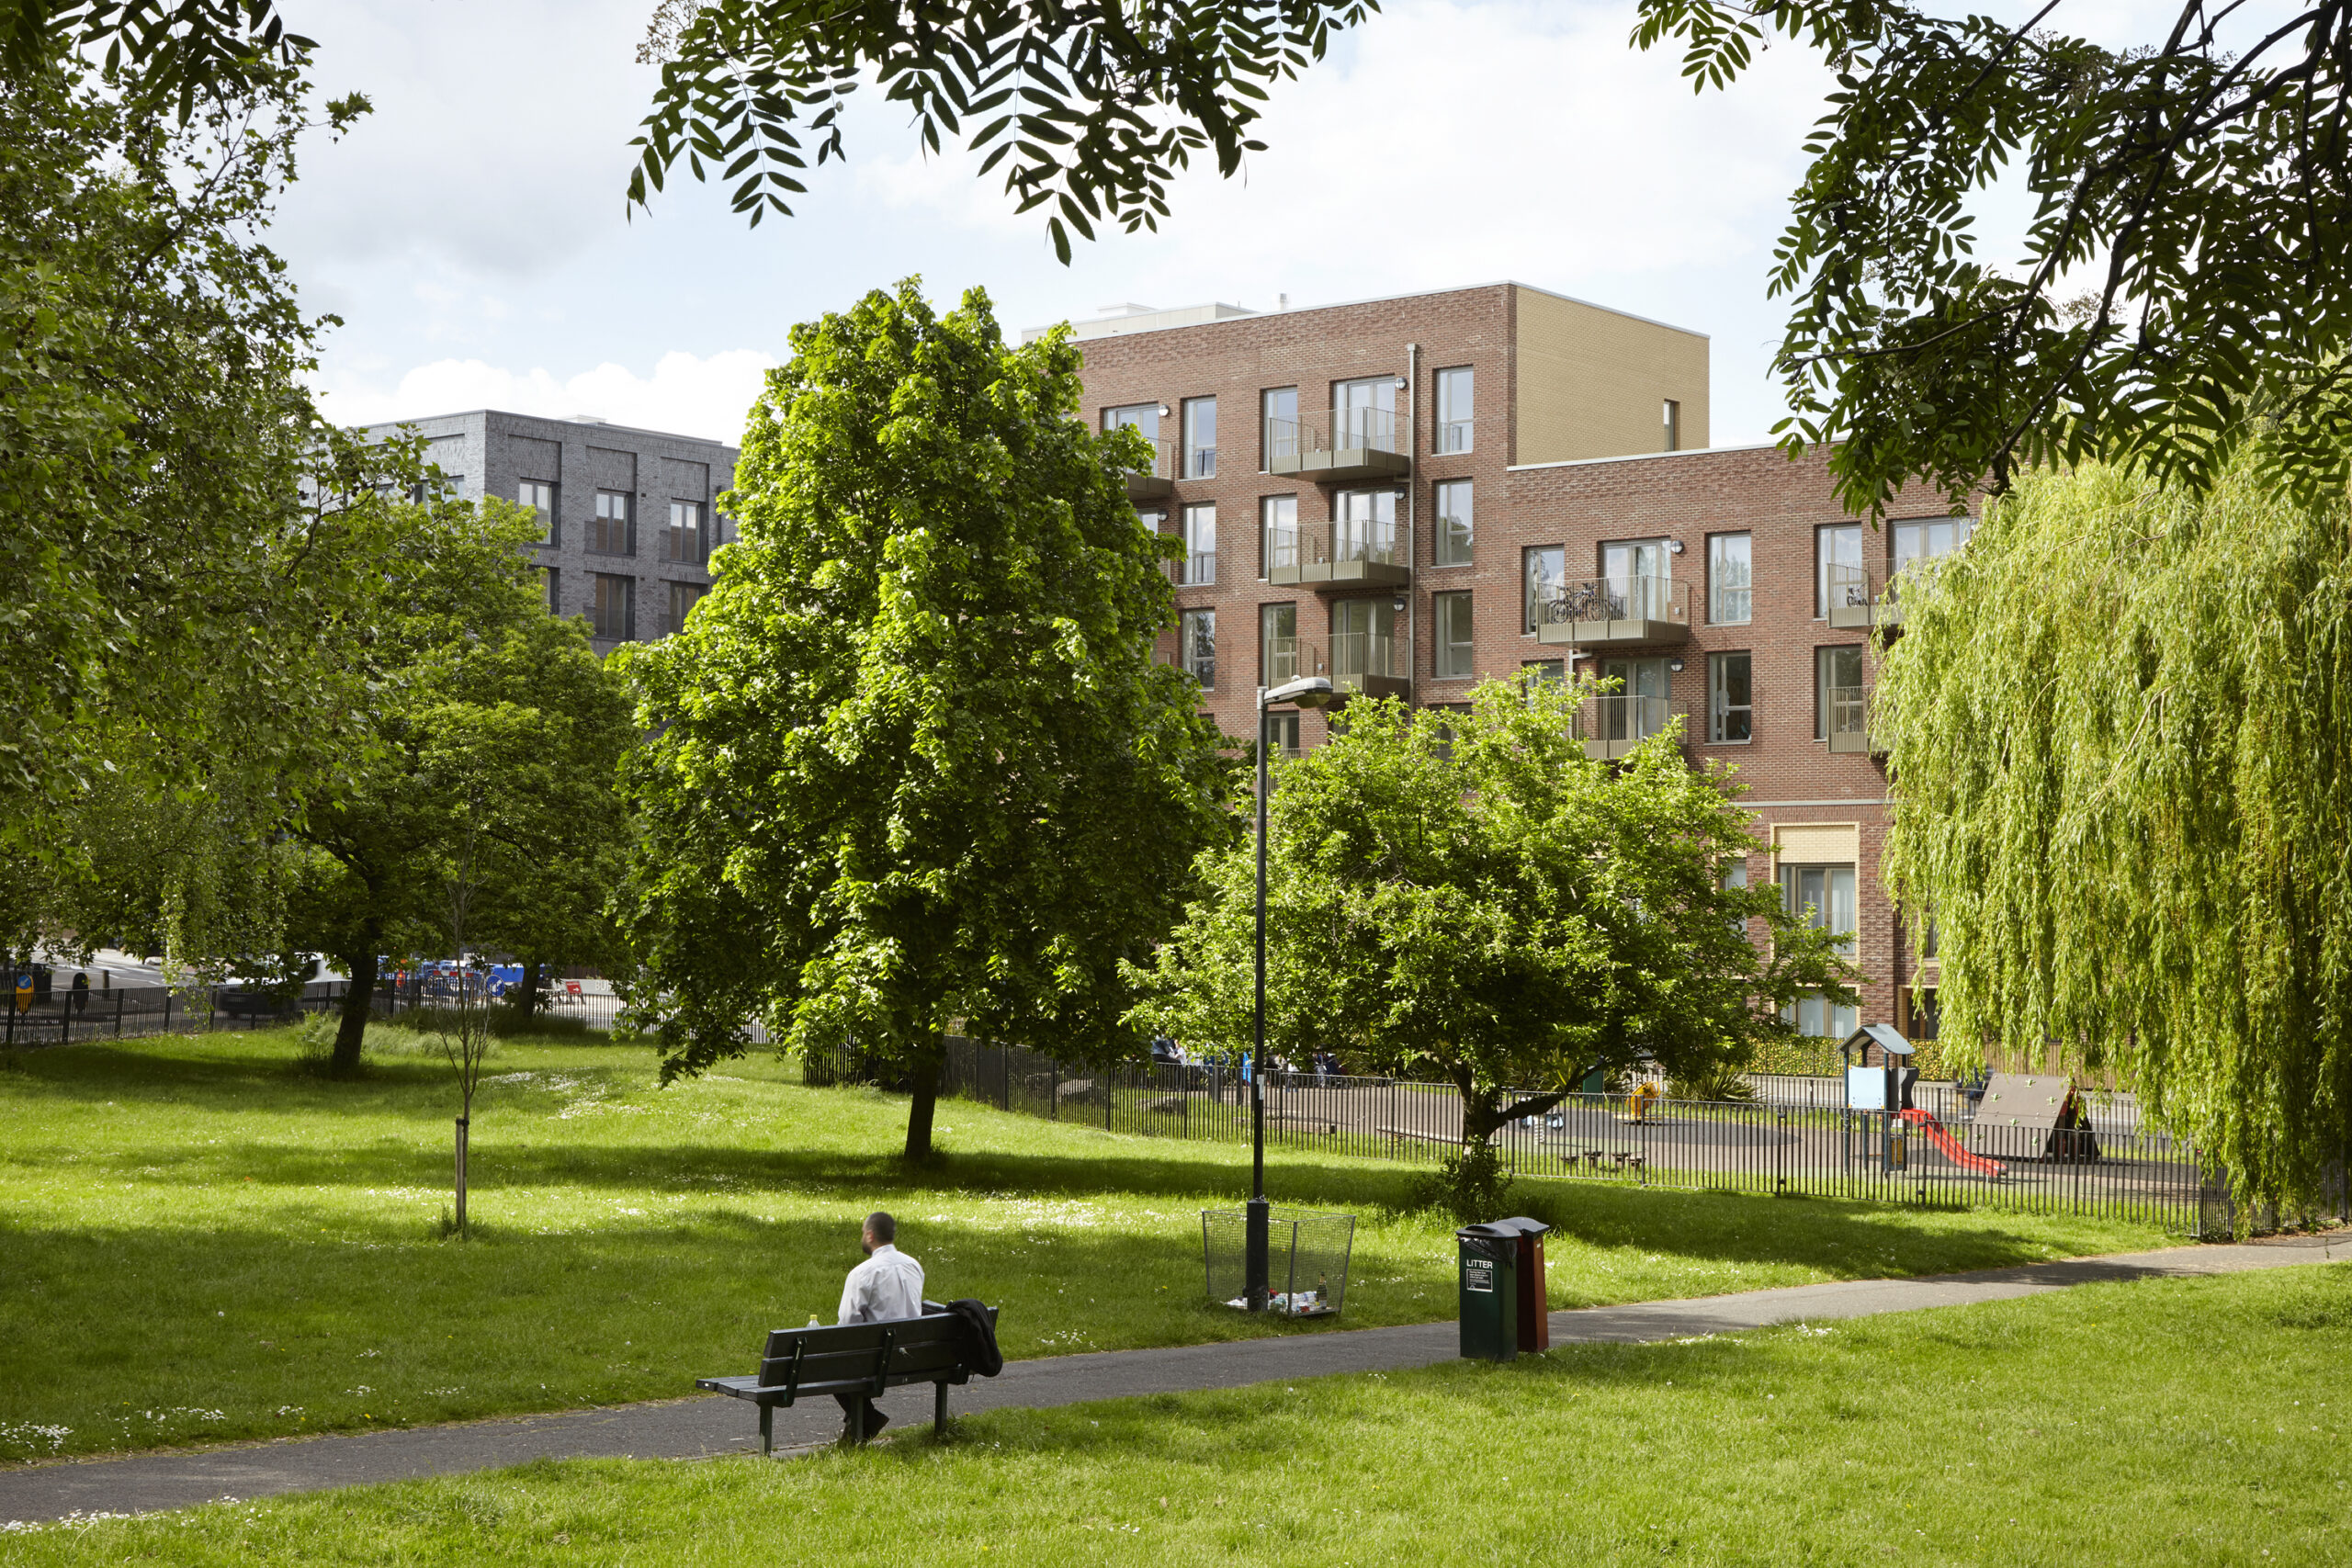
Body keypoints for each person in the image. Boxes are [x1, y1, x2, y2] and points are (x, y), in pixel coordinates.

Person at [833, 1211, 922, 1441]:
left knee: (830, 1360)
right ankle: (864, 1419)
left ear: (870, 1235)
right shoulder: (914, 1265)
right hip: (915, 1355)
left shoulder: (863, 1273)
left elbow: (847, 1325)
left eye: (863, 1233)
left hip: (877, 1360)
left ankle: (867, 1418)